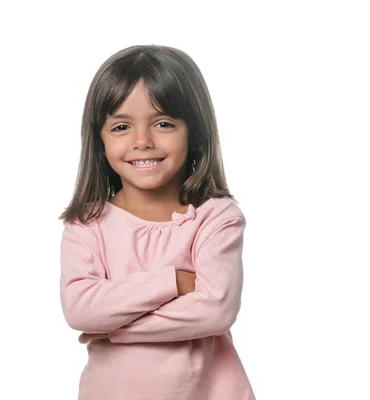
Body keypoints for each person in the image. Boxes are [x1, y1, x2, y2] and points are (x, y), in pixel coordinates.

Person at [59, 44, 256, 400]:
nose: (142, 141)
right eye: (121, 126)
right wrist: (173, 281)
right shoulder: (87, 224)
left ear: (194, 132)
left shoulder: (216, 217)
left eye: (163, 123)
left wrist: (115, 330)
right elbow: (81, 308)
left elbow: (215, 311)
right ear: (99, 140)